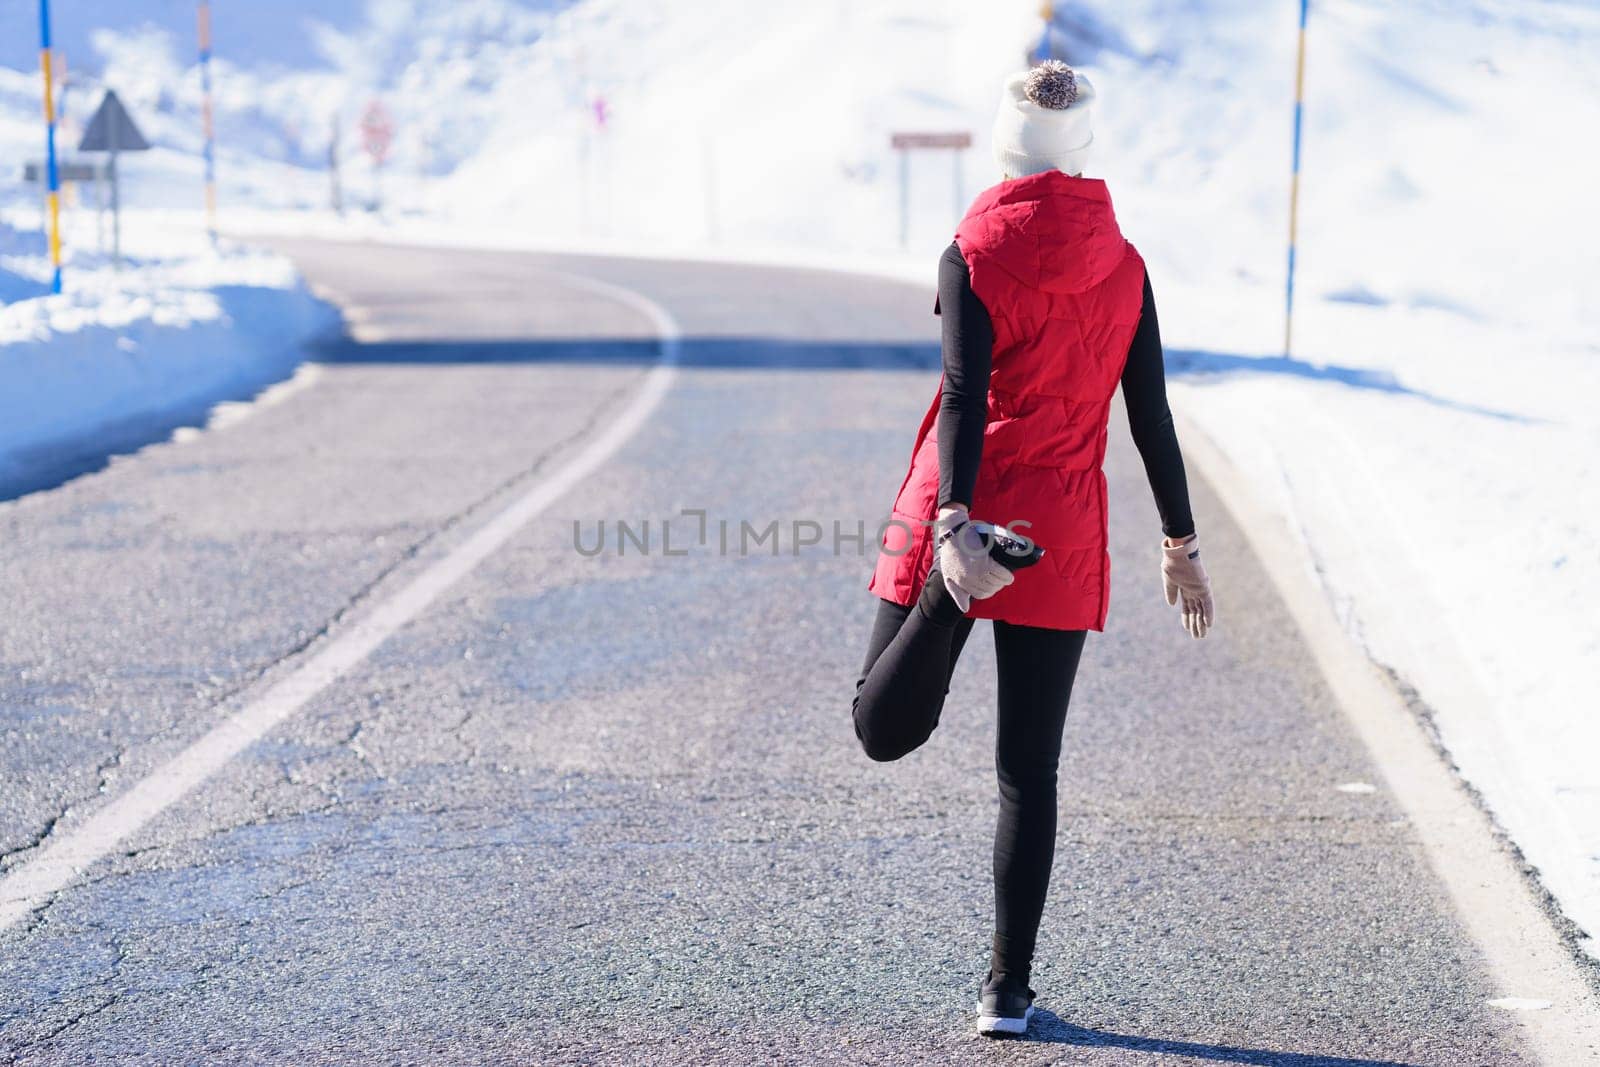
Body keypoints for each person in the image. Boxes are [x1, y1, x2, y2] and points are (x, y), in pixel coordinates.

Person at [852, 60, 1216, 1038]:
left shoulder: (972, 248)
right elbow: (1150, 415)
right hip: (1056, 523)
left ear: (1006, 140)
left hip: (960, 509)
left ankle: (945, 593)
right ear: (1084, 142)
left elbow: (967, 396)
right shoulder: (1126, 264)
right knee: (1028, 771)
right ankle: (1006, 992)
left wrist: (951, 528)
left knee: (880, 726)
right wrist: (1180, 541)